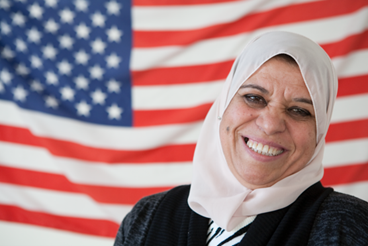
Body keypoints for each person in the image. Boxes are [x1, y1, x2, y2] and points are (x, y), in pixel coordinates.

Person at [113, 31, 368, 246]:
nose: (269, 125)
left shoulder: (349, 227)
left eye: (299, 110)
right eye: (254, 98)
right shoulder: (146, 219)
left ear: (319, 131)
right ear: (223, 105)